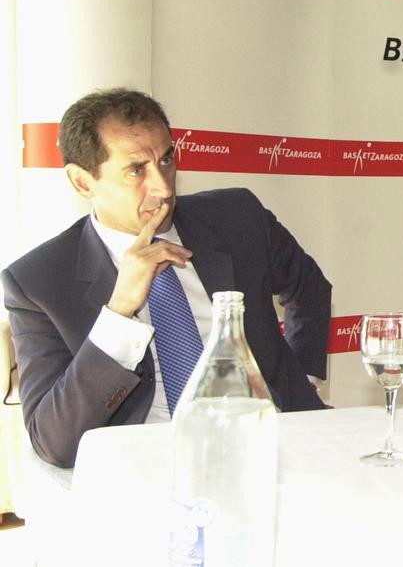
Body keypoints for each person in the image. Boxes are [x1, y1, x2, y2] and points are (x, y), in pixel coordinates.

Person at [2, 89, 329, 467]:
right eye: (136, 170)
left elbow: (309, 287)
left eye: (167, 159)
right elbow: (54, 443)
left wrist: (301, 382)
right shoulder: (38, 282)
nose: (164, 188)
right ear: (83, 182)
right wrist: (120, 310)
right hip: (148, 465)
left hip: (270, 444)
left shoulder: (238, 217)